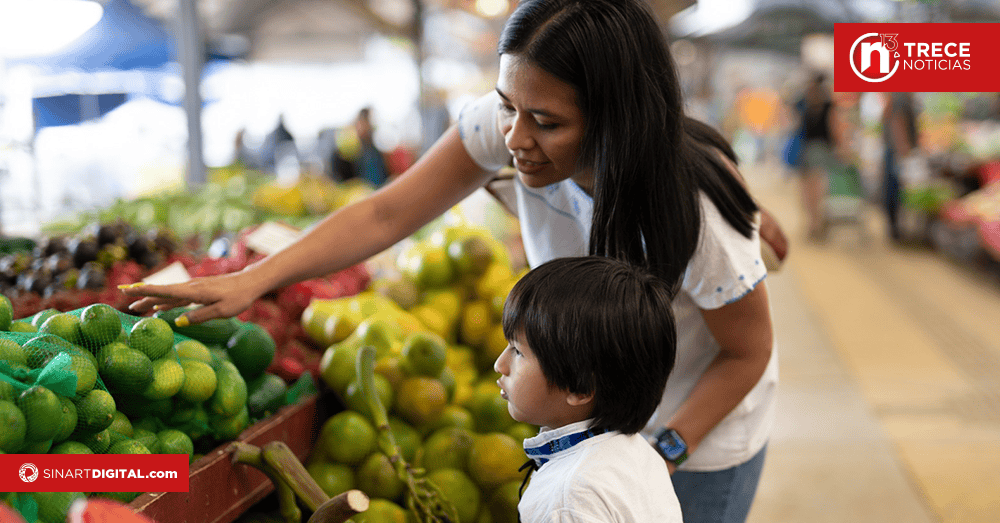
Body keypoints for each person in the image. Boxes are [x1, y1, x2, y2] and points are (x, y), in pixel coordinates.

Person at [123, 2, 778, 521]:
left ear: (614, 120)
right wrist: (256, 277)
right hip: (593, 419)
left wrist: (661, 453)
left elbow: (746, 352)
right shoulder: (515, 123)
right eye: (506, 107)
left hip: (696, 437)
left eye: (546, 122)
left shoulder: (692, 208)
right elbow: (386, 214)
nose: (514, 138)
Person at [496, 255, 681, 522]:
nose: (500, 364)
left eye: (517, 351)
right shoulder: (638, 453)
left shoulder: (566, 500)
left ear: (580, 388)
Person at [797, 73, 841, 240]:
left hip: (809, 149)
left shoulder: (807, 104)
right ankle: (815, 222)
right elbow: (834, 128)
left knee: (810, 188)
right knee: (816, 187)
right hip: (819, 149)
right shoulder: (826, 105)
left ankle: (813, 222)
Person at [882, 92, 918, 242]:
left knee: (892, 189)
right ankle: (896, 228)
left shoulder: (894, 97)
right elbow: (898, 122)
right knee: (896, 190)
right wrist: (903, 148)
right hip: (897, 151)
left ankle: (894, 227)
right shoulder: (900, 97)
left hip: (893, 150)